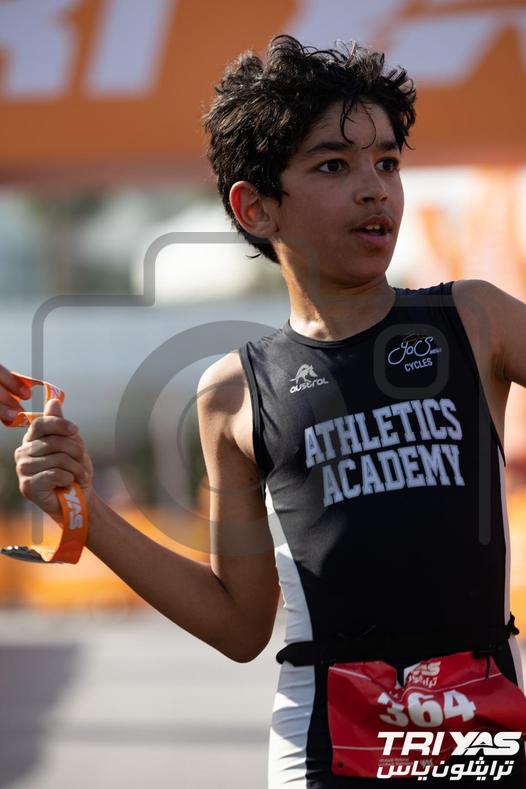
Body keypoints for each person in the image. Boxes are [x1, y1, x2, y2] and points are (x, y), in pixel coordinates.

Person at [6, 35, 526, 787]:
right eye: (333, 165)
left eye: (387, 162)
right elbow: (239, 624)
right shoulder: (233, 392)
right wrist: (87, 512)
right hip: (326, 749)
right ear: (255, 207)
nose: (375, 189)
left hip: (485, 736)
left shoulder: (476, 319)